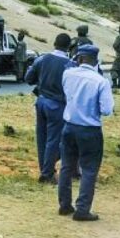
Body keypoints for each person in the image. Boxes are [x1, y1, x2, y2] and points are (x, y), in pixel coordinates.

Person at [57, 44, 114, 221]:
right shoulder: (100, 81)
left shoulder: (68, 74)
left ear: (79, 59)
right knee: (89, 170)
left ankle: (64, 205)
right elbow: (107, 110)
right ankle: (82, 209)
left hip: (69, 126)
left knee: (66, 166)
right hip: (90, 129)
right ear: (96, 61)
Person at [25, 33, 73, 184]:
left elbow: (28, 78)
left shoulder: (42, 59)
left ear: (54, 43)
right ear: (68, 47)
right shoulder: (70, 64)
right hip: (57, 104)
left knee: (42, 137)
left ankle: (45, 169)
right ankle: (47, 173)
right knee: (54, 139)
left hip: (41, 101)